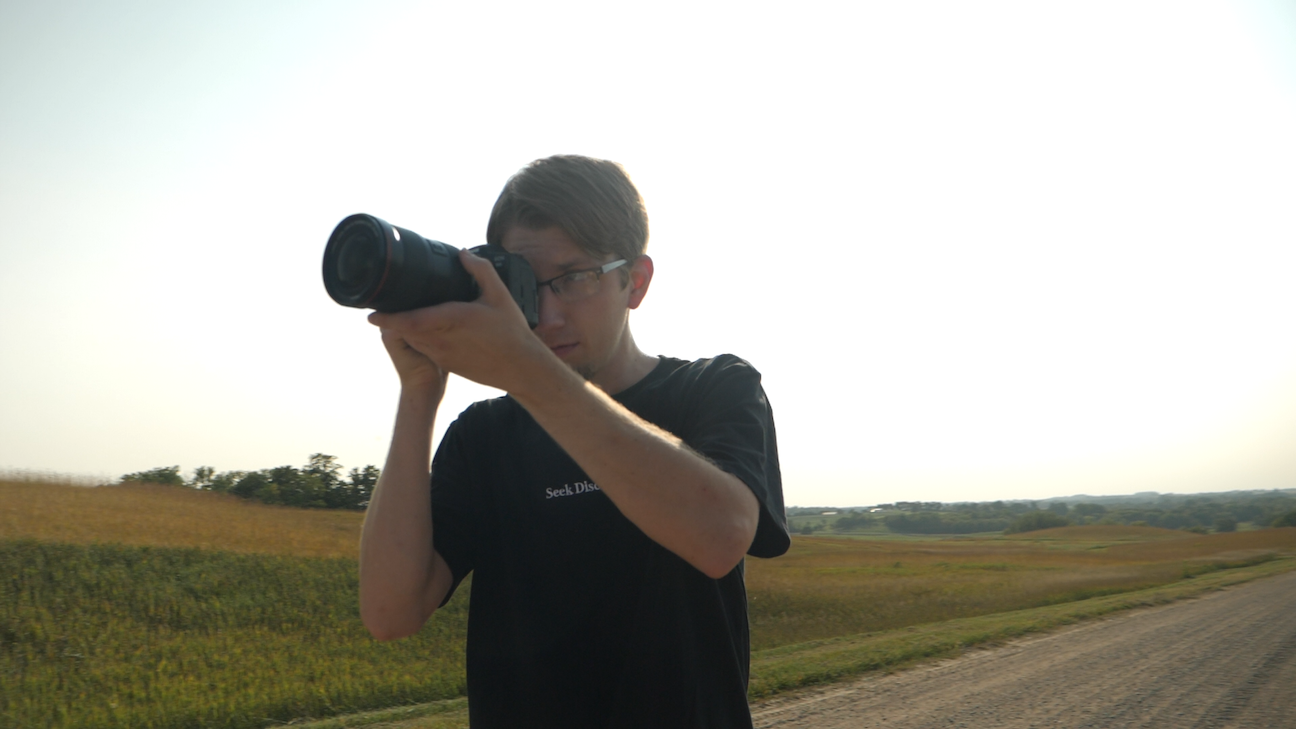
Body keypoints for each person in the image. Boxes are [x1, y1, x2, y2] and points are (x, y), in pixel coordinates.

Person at [357, 154, 789, 728]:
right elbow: (390, 611)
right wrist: (419, 393)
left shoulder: (714, 388)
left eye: (574, 278)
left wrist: (526, 369)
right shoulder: (484, 437)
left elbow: (720, 536)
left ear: (634, 281)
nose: (547, 314)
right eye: (526, 288)